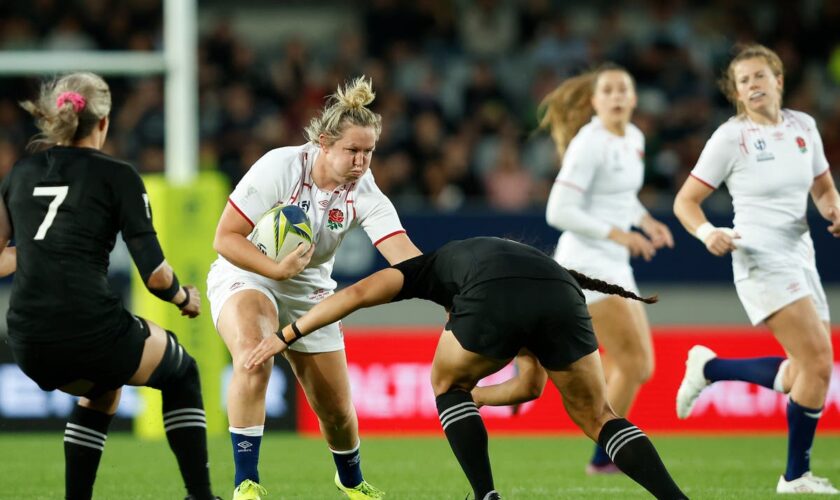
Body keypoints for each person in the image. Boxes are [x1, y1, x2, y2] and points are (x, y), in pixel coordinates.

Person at [243, 237, 688, 500]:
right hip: (563, 294)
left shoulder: (429, 267)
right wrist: (478, 397)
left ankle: (486, 495)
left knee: (445, 383)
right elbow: (530, 388)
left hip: (496, 293)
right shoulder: (527, 263)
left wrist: (285, 335)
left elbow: (356, 293)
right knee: (599, 417)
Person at [0, 72, 219, 500]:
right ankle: (201, 496)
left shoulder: (19, 174)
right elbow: (155, 276)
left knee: (103, 391)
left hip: (27, 338)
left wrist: (39, 252)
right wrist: (183, 297)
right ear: (103, 122)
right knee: (182, 371)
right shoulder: (116, 175)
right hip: (89, 328)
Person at [208, 76, 421, 500]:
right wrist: (274, 267)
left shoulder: (364, 189)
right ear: (324, 143)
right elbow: (225, 238)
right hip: (248, 273)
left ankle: (351, 479)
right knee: (254, 352)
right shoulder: (280, 166)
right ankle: (245, 482)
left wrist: (449, 286)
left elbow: (403, 254)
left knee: (337, 410)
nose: (361, 162)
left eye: (369, 152)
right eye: (352, 151)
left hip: (309, 289)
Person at [472, 63, 674, 474]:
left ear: (634, 99)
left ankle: (531, 351)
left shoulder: (633, 138)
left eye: (624, 89)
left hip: (615, 263)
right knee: (637, 365)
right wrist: (620, 234)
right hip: (588, 263)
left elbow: (621, 196)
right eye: (609, 91)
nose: (617, 96)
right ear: (594, 102)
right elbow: (558, 210)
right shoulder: (589, 142)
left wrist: (646, 221)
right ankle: (605, 455)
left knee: (629, 365)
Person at [673, 44, 840, 494]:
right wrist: (708, 232)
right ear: (736, 92)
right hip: (758, 255)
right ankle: (795, 476)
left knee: (811, 370)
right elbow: (684, 201)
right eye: (744, 80)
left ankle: (710, 369)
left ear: (778, 80)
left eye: (760, 76)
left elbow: (824, 187)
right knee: (819, 361)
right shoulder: (731, 137)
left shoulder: (803, 126)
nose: (753, 85)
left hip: (801, 253)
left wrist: (834, 209)